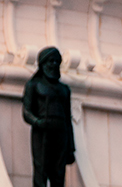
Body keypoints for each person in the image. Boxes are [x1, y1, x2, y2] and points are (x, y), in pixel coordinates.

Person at [22, 47, 76, 187]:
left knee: (58, 174)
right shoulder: (34, 85)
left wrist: (71, 147)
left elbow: (68, 119)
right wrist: (38, 122)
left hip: (61, 132)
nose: (53, 64)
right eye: (50, 61)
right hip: (42, 132)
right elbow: (26, 112)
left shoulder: (64, 89)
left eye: (57, 61)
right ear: (43, 63)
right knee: (41, 169)